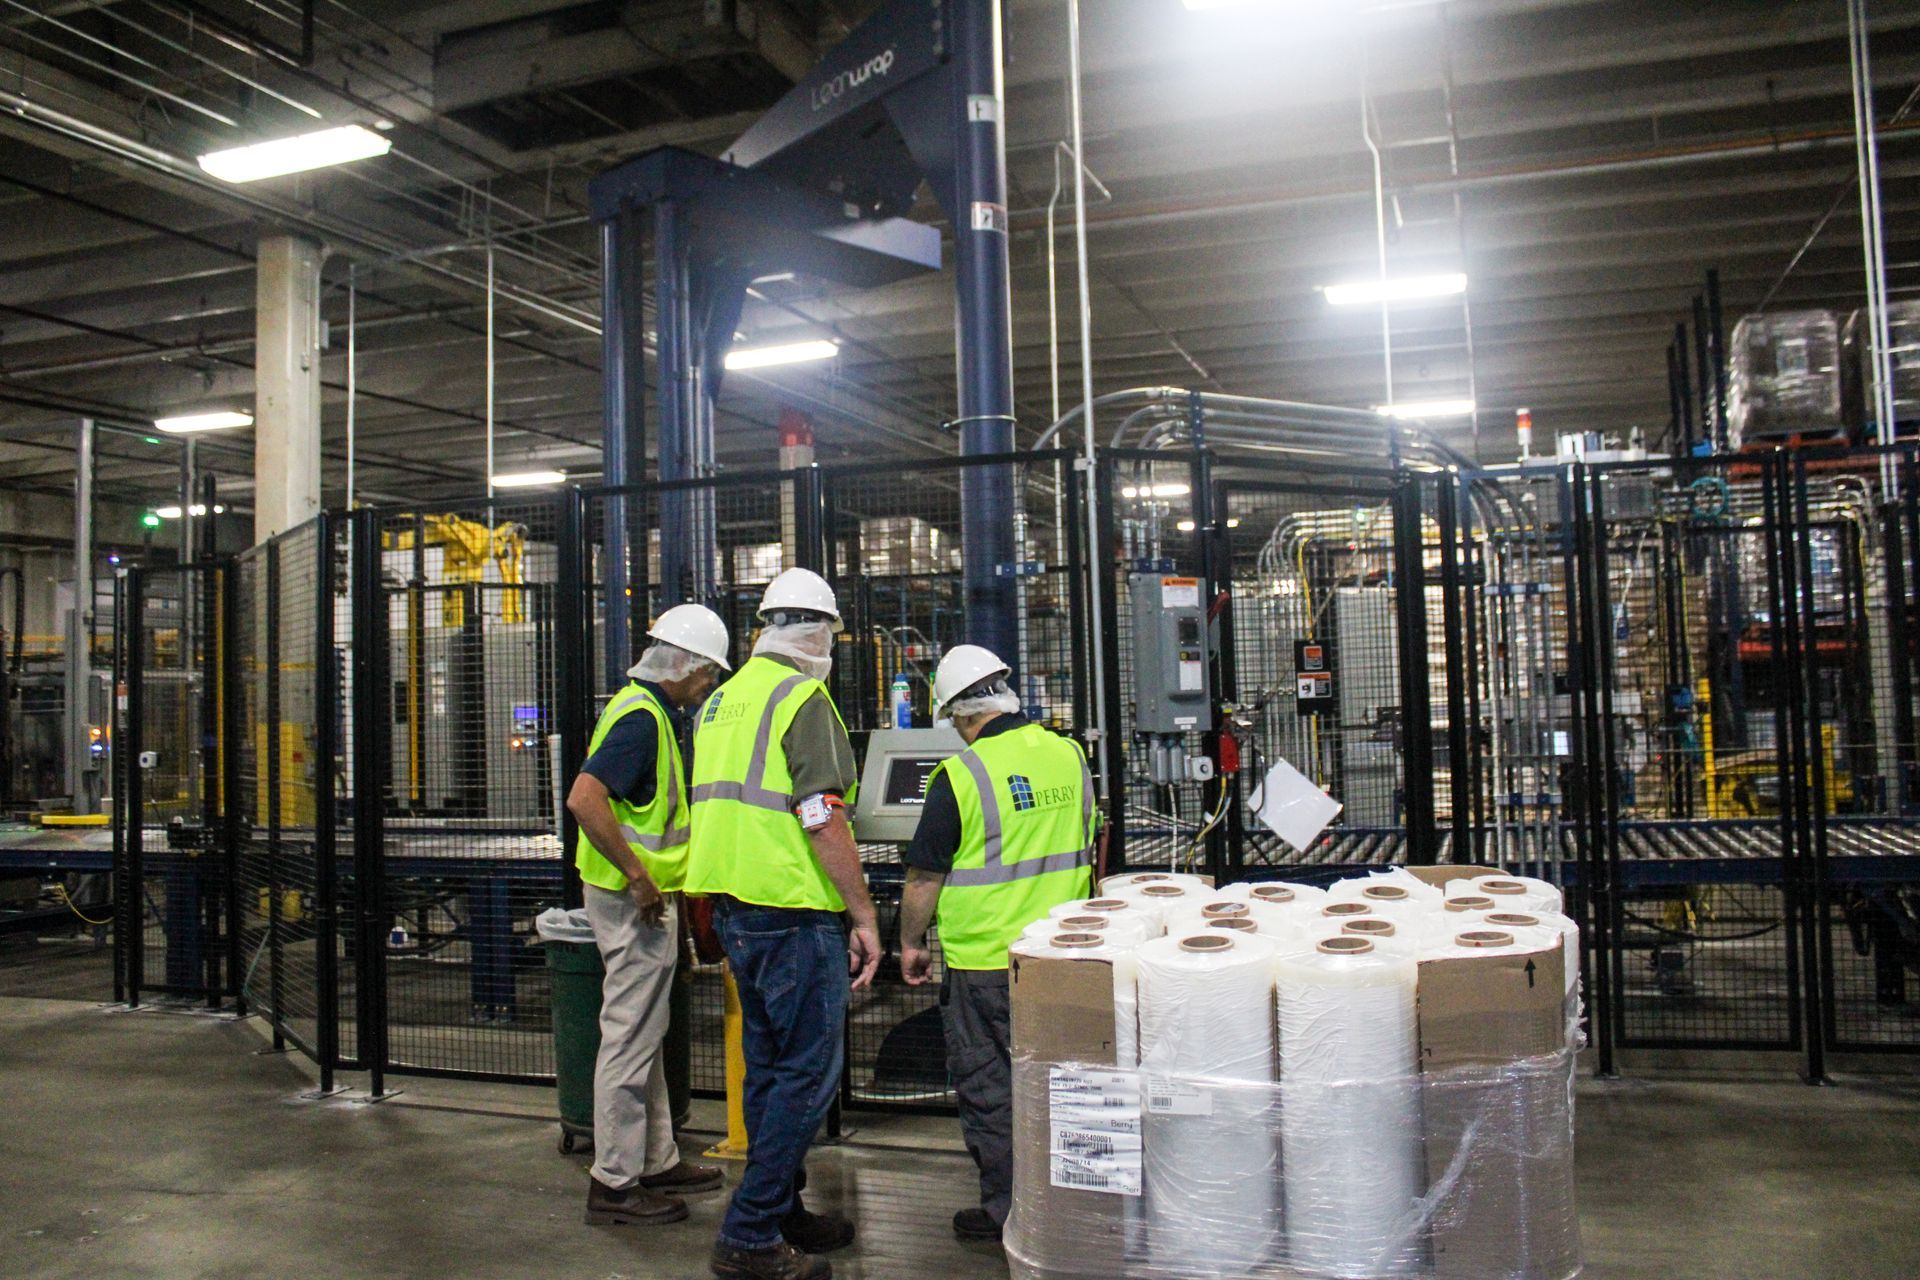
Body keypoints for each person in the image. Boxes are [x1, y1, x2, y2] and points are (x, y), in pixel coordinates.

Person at [686, 568, 881, 1280]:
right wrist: (863, 913)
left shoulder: (721, 701)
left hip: (734, 907)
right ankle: (747, 1236)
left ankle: (779, 1210)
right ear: (820, 632)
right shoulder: (802, 696)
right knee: (806, 1074)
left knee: (769, 1070)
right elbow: (819, 812)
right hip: (794, 908)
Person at [898, 645, 1097, 1243]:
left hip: (986, 961)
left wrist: (909, 943)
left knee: (992, 1089)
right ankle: (1080, 1203)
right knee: (1070, 1084)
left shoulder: (961, 774)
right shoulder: (1069, 755)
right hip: (1066, 954)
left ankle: (1009, 1213)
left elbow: (923, 878)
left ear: (960, 714)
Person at [568, 604, 733, 1229]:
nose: (709, 686)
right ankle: (613, 1182)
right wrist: (638, 874)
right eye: (708, 674)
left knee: (645, 1034)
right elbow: (585, 799)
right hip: (631, 899)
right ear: (685, 665)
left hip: (641, 899)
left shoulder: (649, 712)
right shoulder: (642, 720)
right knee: (629, 1039)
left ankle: (657, 1159)